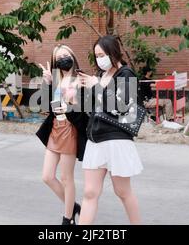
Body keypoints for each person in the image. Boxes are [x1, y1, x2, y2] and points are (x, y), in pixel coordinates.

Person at [78, 35, 143, 225]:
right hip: (95, 140)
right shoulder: (98, 77)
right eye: (96, 55)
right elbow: (92, 109)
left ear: (113, 52)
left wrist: (96, 87)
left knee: (122, 192)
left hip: (116, 139)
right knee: (90, 192)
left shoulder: (126, 74)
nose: (99, 59)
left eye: (102, 54)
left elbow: (121, 107)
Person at [35, 44, 89, 225]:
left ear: (73, 56)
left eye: (66, 54)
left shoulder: (81, 80)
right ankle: (73, 206)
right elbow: (43, 106)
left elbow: (85, 113)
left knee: (67, 178)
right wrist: (47, 83)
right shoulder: (56, 81)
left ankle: (68, 218)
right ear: (55, 62)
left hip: (70, 130)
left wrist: (72, 104)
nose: (63, 58)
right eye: (59, 57)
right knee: (47, 176)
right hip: (55, 130)